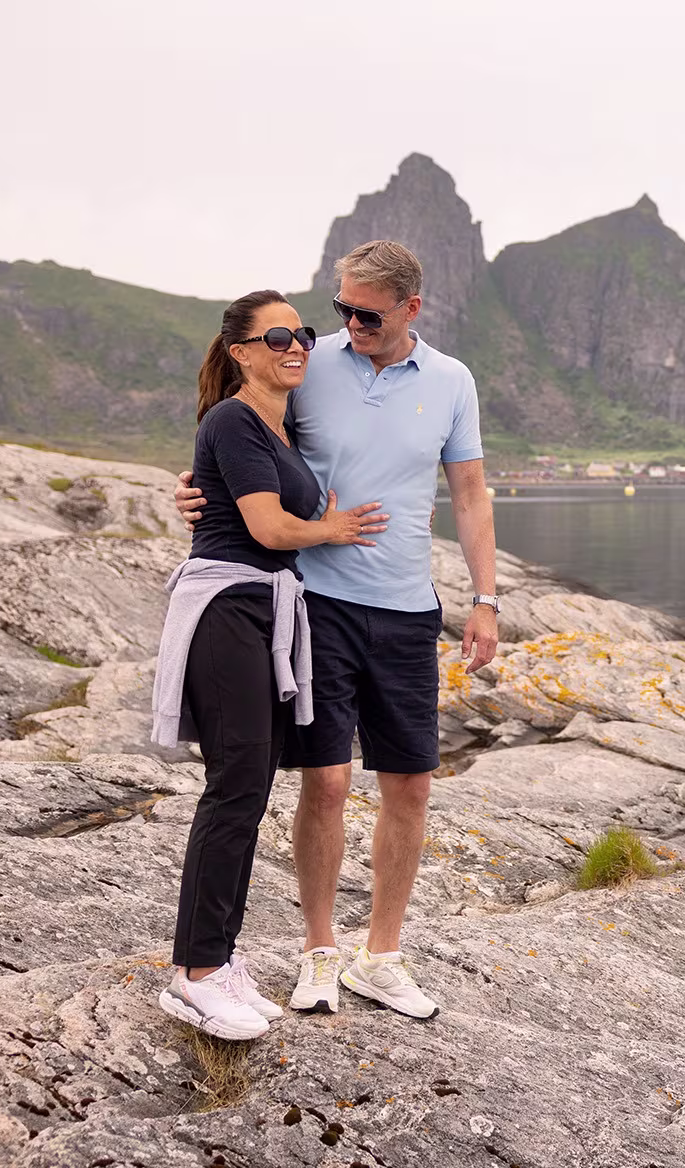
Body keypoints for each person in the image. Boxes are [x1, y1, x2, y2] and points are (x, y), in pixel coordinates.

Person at [174, 241, 498, 1020]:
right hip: (315, 606)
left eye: (367, 313)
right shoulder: (307, 361)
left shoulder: (452, 382)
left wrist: (485, 599)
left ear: (411, 310)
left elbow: (472, 493)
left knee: (411, 786)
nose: (345, 325)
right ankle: (319, 953)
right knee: (324, 782)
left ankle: (379, 956)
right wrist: (194, 492)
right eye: (340, 310)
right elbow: (239, 429)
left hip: (407, 610)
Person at [154, 290, 386, 1040]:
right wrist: (334, 528)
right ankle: (194, 976)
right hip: (228, 605)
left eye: (304, 334)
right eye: (277, 335)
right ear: (240, 352)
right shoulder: (233, 418)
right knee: (235, 784)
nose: (296, 346)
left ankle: (219, 960)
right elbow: (265, 526)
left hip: (263, 608)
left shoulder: (275, 430)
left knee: (248, 784)